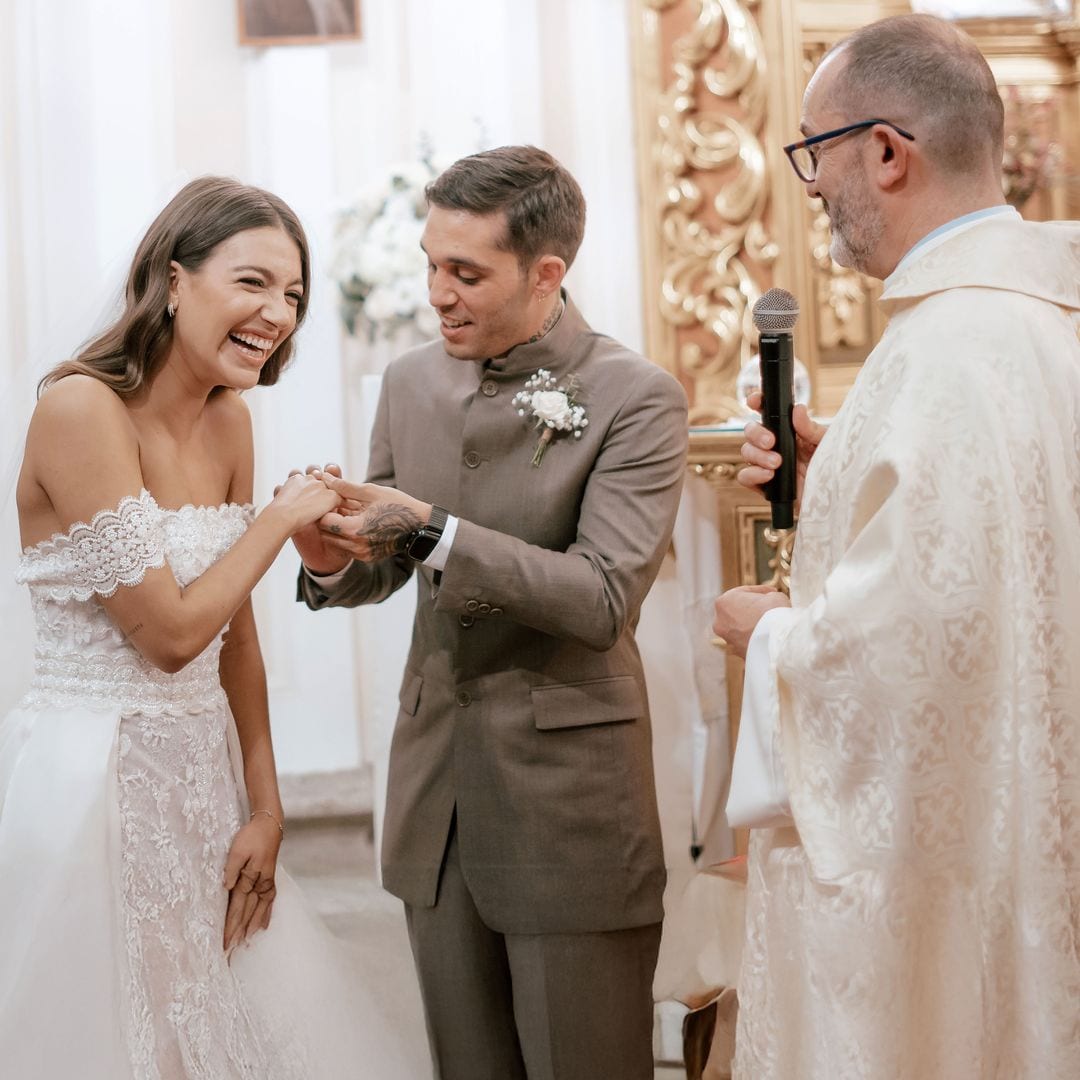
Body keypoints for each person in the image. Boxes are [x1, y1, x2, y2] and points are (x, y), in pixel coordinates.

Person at [713, 13, 1080, 1078]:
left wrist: (769, 634)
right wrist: (836, 477)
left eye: (814, 151)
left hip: (949, 879)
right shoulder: (1038, 328)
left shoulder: (940, 355)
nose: (812, 185)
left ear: (885, 150)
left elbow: (906, 658)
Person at [0, 176, 423, 1078]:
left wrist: (266, 811)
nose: (279, 313)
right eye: (254, 282)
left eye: (295, 295)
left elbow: (237, 641)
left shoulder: (229, 420)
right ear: (175, 278)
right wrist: (277, 520)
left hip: (201, 777)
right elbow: (169, 637)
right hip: (95, 782)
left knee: (221, 1018)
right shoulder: (81, 410)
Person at [294, 145, 689, 1080]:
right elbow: (384, 558)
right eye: (431, 264)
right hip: (437, 800)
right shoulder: (410, 384)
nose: (438, 292)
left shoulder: (637, 397)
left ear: (547, 273)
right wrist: (330, 565)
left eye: (465, 272)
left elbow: (600, 598)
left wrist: (433, 529)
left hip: (568, 806)